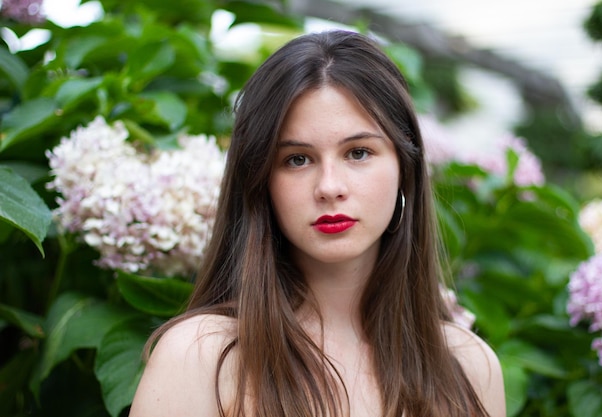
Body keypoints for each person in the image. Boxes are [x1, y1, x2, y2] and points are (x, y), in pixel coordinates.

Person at [129, 30, 506, 417]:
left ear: (404, 169)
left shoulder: (470, 368)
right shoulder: (199, 358)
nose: (329, 187)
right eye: (297, 159)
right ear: (260, 182)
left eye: (358, 153)